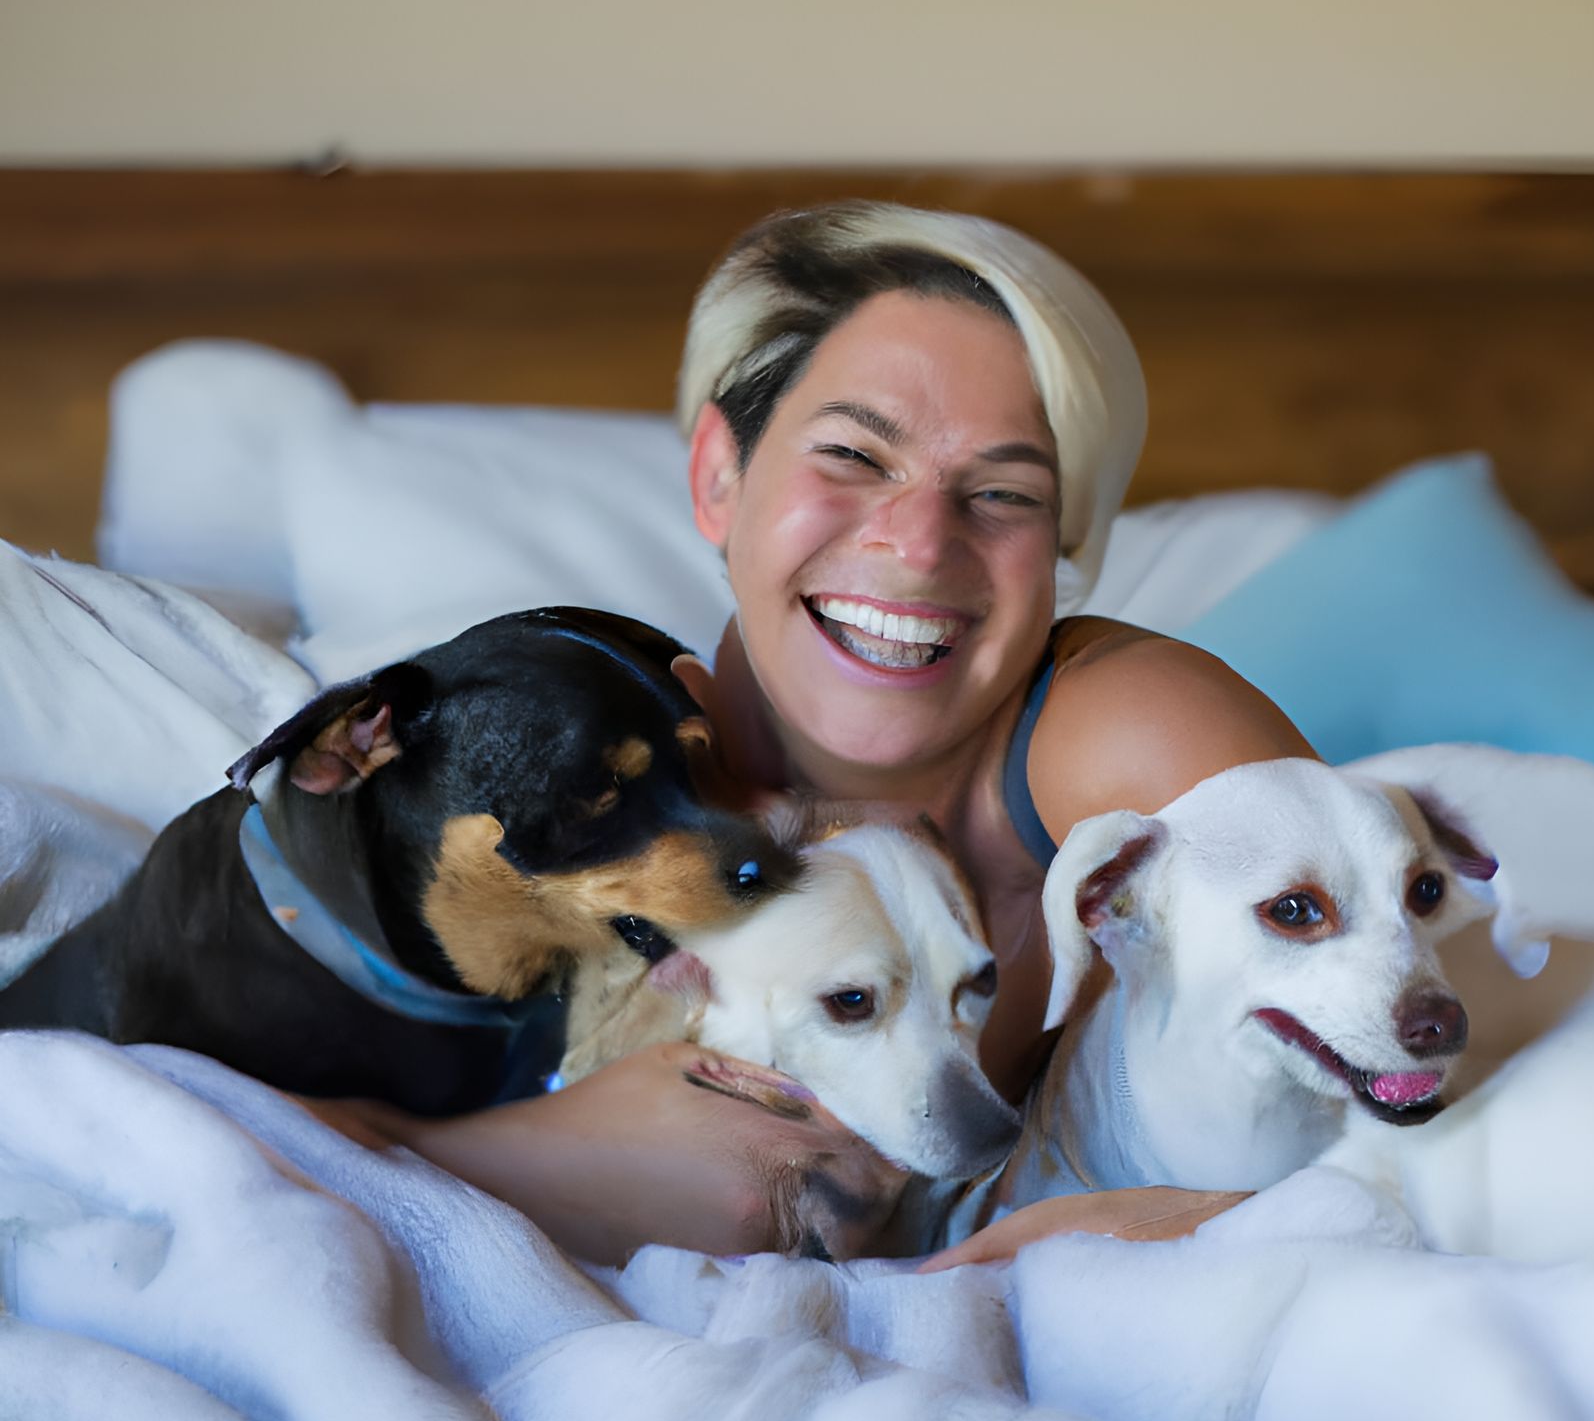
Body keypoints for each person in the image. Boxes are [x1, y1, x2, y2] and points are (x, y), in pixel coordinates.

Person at [326, 202, 1315, 1268]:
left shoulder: (1129, 744)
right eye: (852, 454)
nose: (920, 545)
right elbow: (241, 1113)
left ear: (1061, 542)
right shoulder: (549, 792)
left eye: (1001, 491)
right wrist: (562, 1145)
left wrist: (988, 1262)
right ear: (719, 476)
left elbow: (1377, 1122)